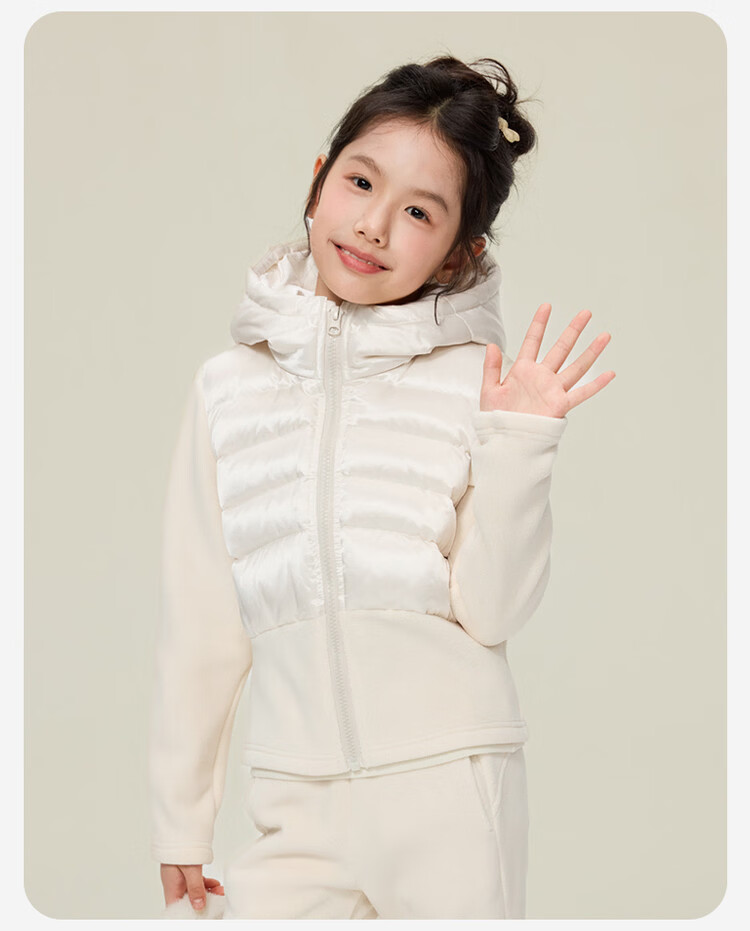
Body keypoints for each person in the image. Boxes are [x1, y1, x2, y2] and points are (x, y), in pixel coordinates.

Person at [148, 54, 615, 920]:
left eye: (419, 212)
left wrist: (522, 445)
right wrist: (183, 817)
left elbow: (493, 610)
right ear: (318, 180)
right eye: (360, 182)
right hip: (293, 801)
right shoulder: (226, 387)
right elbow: (202, 619)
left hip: (451, 788)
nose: (373, 225)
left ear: (458, 254)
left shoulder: (478, 383)